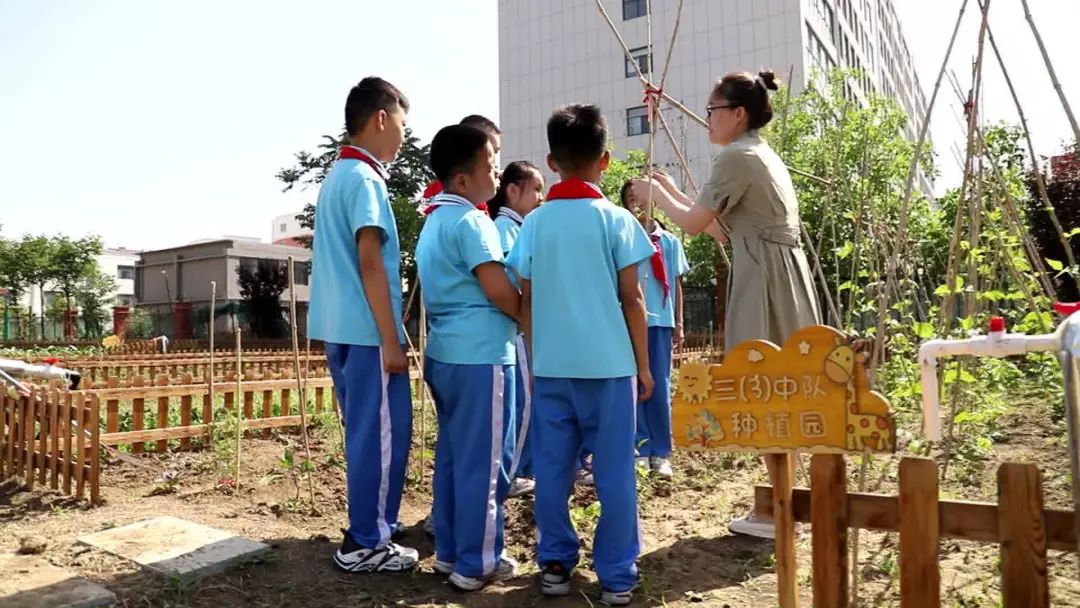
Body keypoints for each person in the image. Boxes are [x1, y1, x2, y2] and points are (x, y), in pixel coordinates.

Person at [630, 69, 822, 539]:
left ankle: (776, 512)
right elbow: (720, 226)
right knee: (782, 389)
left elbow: (695, 225)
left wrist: (657, 195)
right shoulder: (755, 152)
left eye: (714, 110)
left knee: (764, 385)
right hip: (778, 272)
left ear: (738, 114)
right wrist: (671, 193)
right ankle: (782, 503)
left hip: (765, 279)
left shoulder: (737, 156)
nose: (708, 119)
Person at [506, 104, 655, 606]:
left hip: (551, 368)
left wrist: (535, 349)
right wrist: (644, 366)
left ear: (551, 162)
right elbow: (632, 299)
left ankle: (554, 564)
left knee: (552, 471)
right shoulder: (617, 221)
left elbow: (525, 298)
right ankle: (616, 575)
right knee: (614, 472)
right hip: (611, 369)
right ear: (606, 160)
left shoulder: (534, 224)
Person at [308, 77, 418, 571]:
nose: (401, 135)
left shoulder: (337, 177)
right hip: (368, 330)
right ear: (380, 118)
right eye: (401, 122)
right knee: (380, 435)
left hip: (341, 327)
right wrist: (391, 338)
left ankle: (367, 530)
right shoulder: (367, 180)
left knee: (365, 433)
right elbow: (371, 262)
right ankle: (367, 541)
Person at [416, 124, 522, 591]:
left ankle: (451, 552)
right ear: (462, 180)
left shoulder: (434, 221)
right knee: (486, 461)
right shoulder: (474, 221)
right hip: (483, 357)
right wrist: (526, 314)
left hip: (445, 353)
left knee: (457, 456)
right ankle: (478, 561)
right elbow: (497, 287)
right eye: (491, 164)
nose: (497, 171)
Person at [619, 180, 689, 479]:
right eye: (630, 198)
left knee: (658, 385)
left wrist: (679, 322)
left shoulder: (669, 242)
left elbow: (677, 284)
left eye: (640, 197)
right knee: (633, 385)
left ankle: (661, 451)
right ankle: (640, 446)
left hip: (659, 321)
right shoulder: (622, 238)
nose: (636, 202)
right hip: (629, 322)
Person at [488, 160, 545, 498]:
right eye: (535, 188)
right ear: (512, 191)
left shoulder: (518, 226)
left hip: (523, 326)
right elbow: (517, 281)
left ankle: (518, 469)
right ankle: (512, 472)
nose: (541, 196)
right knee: (522, 401)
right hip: (518, 327)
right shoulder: (505, 228)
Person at [423, 115, 502, 198]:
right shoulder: (444, 197)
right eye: (489, 149)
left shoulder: (481, 196)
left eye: (495, 152)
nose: (494, 164)